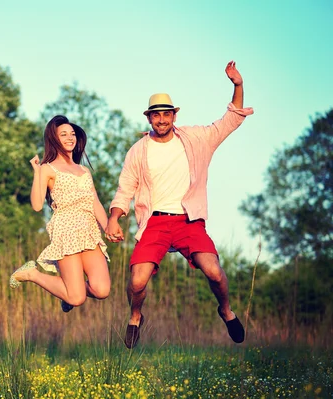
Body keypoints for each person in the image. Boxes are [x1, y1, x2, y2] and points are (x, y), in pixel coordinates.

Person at [106, 61, 253, 348]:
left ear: (174, 115)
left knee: (214, 271)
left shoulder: (196, 139)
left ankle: (225, 310)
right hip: (156, 222)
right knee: (137, 281)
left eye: (167, 114)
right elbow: (125, 189)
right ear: (149, 118)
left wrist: (237, 85)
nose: (162, 119)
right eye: (156, 115)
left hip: (189, 220)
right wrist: (114, 218)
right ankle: (135, 316)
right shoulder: (138, 151)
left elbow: (231, 119)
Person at [9, 115, 111, 312]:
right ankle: (32, 274)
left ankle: (67, 291)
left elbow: (95, 202)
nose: (69, 137)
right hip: (66, 231)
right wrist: (37, 173)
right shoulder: (48, 169)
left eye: (72, 133)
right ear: (54, 139)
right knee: (77, 297)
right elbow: (37, 205)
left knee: (102, 290)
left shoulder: (84, 170)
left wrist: (108, 228)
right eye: (63, 134)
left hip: (89, 232)